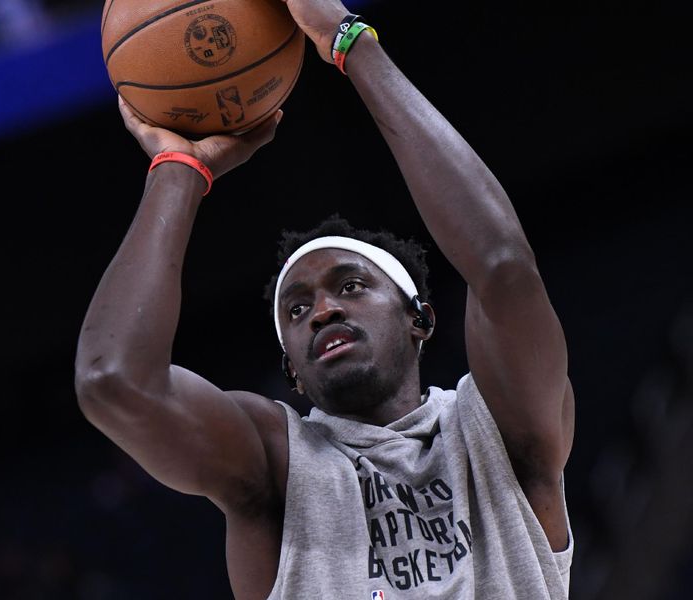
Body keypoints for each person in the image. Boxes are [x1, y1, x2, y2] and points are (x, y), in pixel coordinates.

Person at [74, 1, 575, 598]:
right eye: (297, 309)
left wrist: (348, 40)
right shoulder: (274, 467)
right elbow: (113, 380)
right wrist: (179, 168)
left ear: (421, 319)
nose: (324, 311)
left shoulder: (499, 426)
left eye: (351, 286)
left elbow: (504, 267)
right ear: (293, 373)